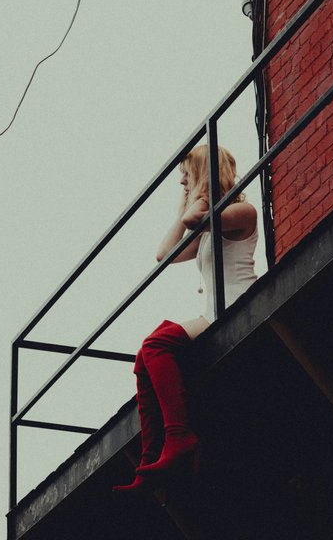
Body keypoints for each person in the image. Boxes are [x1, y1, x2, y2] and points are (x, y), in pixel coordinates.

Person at [113, 144, 258, 492]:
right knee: (145, 354)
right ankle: (151, 461)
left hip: (240, 302)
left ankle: (180, 438)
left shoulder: (244, 212)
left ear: (203, 175)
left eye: (186, 175)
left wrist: (201, 194)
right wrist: (188, 198)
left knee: (157, 342)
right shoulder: (209, 222)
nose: (181, 182)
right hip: (214, 310)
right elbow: (165, 254)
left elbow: (195, 219)